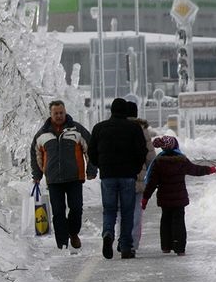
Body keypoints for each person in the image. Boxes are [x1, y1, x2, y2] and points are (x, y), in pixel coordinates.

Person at [30, 100, 97, 250]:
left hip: (74, 177)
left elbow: (90, 148)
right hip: (54, 180)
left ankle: (73, 233)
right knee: (58, 213)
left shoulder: (77, 130)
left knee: (76, 208)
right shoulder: (42, 134)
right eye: (56, 113)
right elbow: (35, 155)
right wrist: (38, 174)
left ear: (65, 112)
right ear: (51, 114)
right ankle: (62, 244)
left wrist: (91, 169)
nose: (59, 116)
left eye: (61, 113)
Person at [88, 98, 147, 259]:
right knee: (127, 211)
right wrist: (135, 169)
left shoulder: (99, 128)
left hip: (108, 175)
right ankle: (126, 246)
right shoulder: (134, 128)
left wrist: (101, 165)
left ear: (111, 110)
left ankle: (108, 233)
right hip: (128, 175)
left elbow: (91, 152)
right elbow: (142, 151)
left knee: (109, 210)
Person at [142, 136, 216, 255]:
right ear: (175, 146)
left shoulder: (158, 162)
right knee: (179, 222)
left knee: (166, 221)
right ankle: (179, 248)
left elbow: (152, 183)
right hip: (179, 198)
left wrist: (145, 198)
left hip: (165, 198)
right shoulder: (182, 160)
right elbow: (196, 170)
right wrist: (210, 169)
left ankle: (166, 246)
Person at [120, 101, 156, 252]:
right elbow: (150, 156)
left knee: (120, 210)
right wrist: (152, 172)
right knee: (136, 211)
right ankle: (133, 243)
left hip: (120, 175)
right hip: (139, 176)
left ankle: (122, 240)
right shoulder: (142, 130)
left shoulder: (118, 128)